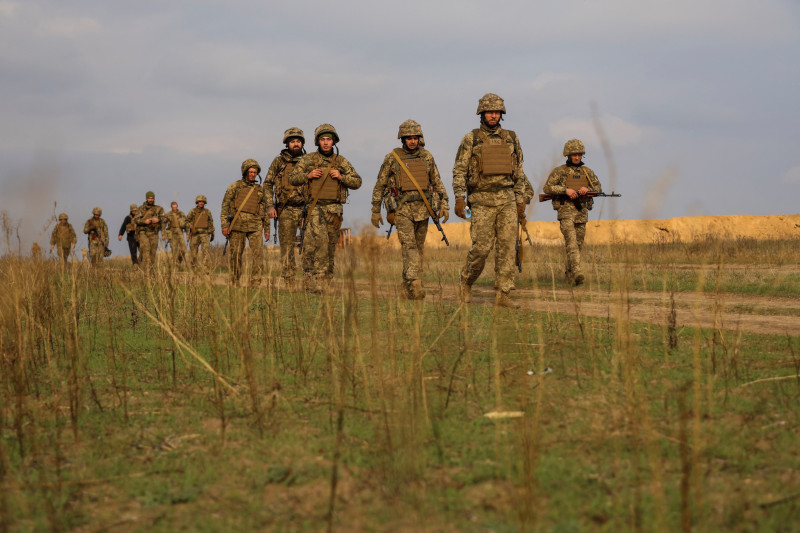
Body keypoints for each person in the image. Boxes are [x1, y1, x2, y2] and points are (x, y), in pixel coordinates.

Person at [452, 93, 529, 308]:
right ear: (482, 114)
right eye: (489, 112)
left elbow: (519, 171)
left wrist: (520, 200)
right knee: (481, 248)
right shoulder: (471, 139)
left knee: (506, 247)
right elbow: (459, 170)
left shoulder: (511, 138)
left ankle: (503, 294)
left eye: (497, 112)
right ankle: (466, 282)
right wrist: (460, 198)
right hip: (481, 200)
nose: (493, 115)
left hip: (506, 199)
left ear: (501, 114)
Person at [371, 119, 449, 300]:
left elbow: (436, 181)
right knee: (410, 246)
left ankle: (407, 288)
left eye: (415, 138)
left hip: (424, 209)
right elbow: (380, 185)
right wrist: (376, 210)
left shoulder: (427, 157)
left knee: (418, 248)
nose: (412, 141)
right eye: (408, 138)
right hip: (402, 210)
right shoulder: (392, 158)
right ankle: (415, 284)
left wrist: (444, 205)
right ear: (402, 139)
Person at [289, 124, 362, 293]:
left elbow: (357, 182)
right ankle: (315, 282)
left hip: (334, 212)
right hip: (314, 208)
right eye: (323, 139)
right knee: (316, 245)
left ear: (333, 141)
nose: (326, 142)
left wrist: (341, 176)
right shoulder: (309, 160)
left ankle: (325, 282)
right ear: (318, 142)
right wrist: (308, 175)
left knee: (329, 248)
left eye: (329, 139)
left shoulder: (341, 161)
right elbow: (293, 178)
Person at [543, 139, 603, 286]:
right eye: (574, 154)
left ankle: (570, 276)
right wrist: (565, 190)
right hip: (566, 212)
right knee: (571, 242)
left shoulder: (587, 172)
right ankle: (577, 271)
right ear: (568, 155)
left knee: (578, 244)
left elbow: (598, 188)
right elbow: (547, 188)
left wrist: (588, 190)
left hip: (581, 212)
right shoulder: (560, 172)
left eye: (579, 154)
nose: (577, 157)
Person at [265, 127, 311, 288]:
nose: (296, 144)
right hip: (285, 209)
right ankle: (289, 281)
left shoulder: (309, 160)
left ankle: (309, 280)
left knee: (311, 244)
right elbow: (267, 184)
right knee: (286, 247)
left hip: (306, 209)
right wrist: (270, 206)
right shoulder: (279, 162)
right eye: (293, 141)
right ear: (287, 143)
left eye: (298, 141)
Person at [221, 159, 269, 287]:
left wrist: (267, 229)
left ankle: (256, 283)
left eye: (255, 172)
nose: (253, 174)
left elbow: (265, 210)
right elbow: (225, 206)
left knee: (258, 255)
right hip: (237, 225)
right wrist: (224, 225)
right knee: (236, 255)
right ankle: (235, 281)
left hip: (256, 226)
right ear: (245, 172)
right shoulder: (234, 187)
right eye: (250, 171)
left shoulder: (260, 190)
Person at [134, 191, 166, 273]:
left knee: (152, 253)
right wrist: (144, 221)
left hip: (154, 233)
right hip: (143, 232)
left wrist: (158, 219)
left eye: (152, 198)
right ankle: (146, 271)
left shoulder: (159, 209)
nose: (151, 200)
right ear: (146, 198)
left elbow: (165, 219)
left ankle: (150, 271)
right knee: (146, 250)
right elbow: (136, 220)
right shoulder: (141, 208)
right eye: (149, 198)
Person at [185, 194, 215, 273]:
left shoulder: (207, 212)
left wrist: (212, 233)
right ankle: (193, 269)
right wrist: (191, 227)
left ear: (204, 203)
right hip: (195, 234)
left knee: (206, 252)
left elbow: (211, 222)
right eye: (199, 201)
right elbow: (187, 221)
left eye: (202, 202)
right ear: (197, 202)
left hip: (205, 234)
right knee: (194, 253)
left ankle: (206, 269)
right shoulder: (192, 211)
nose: (201, 203)